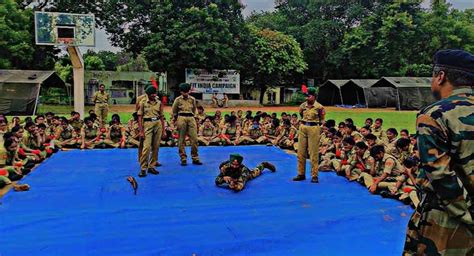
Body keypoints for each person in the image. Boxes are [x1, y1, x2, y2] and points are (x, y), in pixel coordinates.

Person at [403, 49, 474, 255]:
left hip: (448, 222)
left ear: (441, 76)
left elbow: (441, 175)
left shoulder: (435, 114)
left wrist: (468, 217)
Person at [293, 87, 325, 183]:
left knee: (313, 152)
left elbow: (322, 119)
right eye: (306, 96)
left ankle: (314, 175)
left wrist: (320, 128)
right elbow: (301, 115)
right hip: (303, 127)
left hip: (314, 128)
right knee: (300, 152)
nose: (307, 98)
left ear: (314, 96)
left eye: (309, 96)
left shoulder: (320, 107)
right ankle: (301, 174)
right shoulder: (302, 106)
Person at [137, 86, 165, 177]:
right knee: (147, 147)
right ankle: (143, 168)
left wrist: (163, 130)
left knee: (156, 147)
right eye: (152, 94)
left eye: (155, 93)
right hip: (147, 124)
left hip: (157, 123)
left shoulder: (159, 103)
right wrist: (141, 131)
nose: (154, 95)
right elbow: (140, 117)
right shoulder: (143, 103)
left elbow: (161, 116)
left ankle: (151, 166)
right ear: (148, 95)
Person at [172, 83, 202, 166]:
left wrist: (196, 120)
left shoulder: (192, 99)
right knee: (181, 139)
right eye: (183, 92)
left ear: (189, 91)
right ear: (181, 92)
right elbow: (174, 111)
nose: (185, 93)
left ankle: (195, 157)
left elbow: (194, 109)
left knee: (194, 139)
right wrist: (175, 120)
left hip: (191, 117)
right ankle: (183, 158)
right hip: (181, 117)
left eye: (187, 92)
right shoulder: (177, 100)